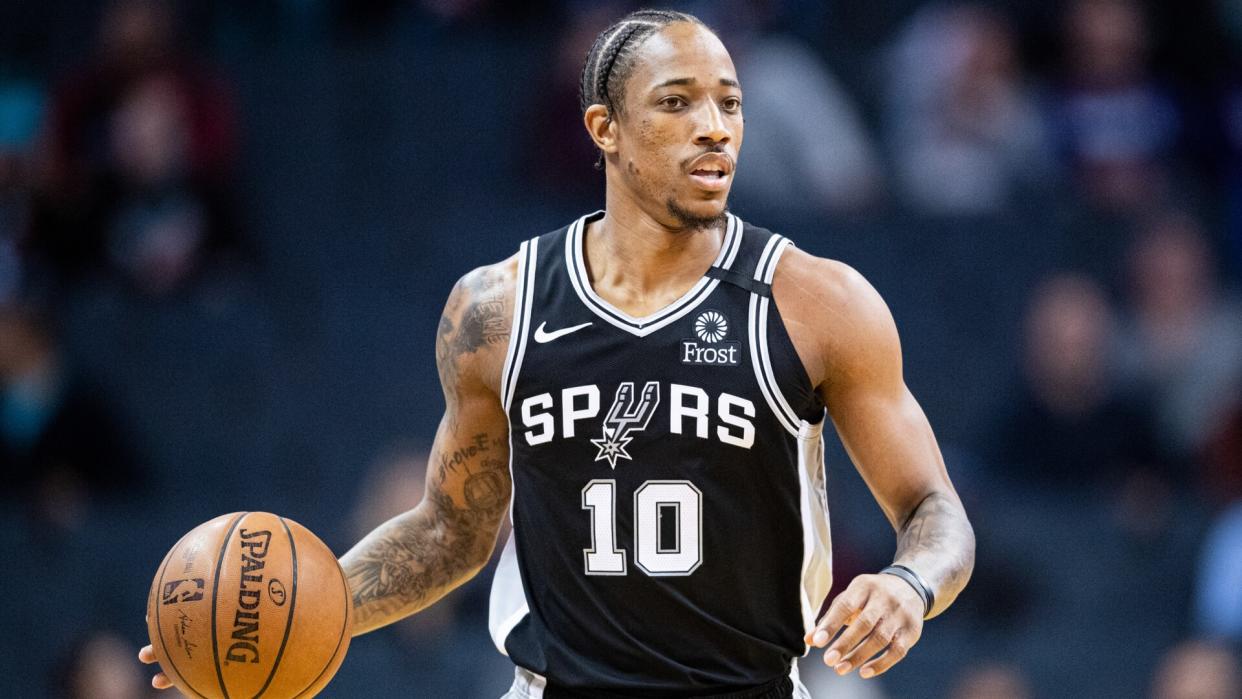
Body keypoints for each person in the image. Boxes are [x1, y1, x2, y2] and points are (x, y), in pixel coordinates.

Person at [141, 9, 975, 697]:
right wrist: (292, 616)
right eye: (678, 103)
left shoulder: (818, 300)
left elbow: (935, 511)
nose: (714, 129)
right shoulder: (496, 308)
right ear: (604, 129)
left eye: (729, 102)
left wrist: (910, 583)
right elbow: (449, 531)